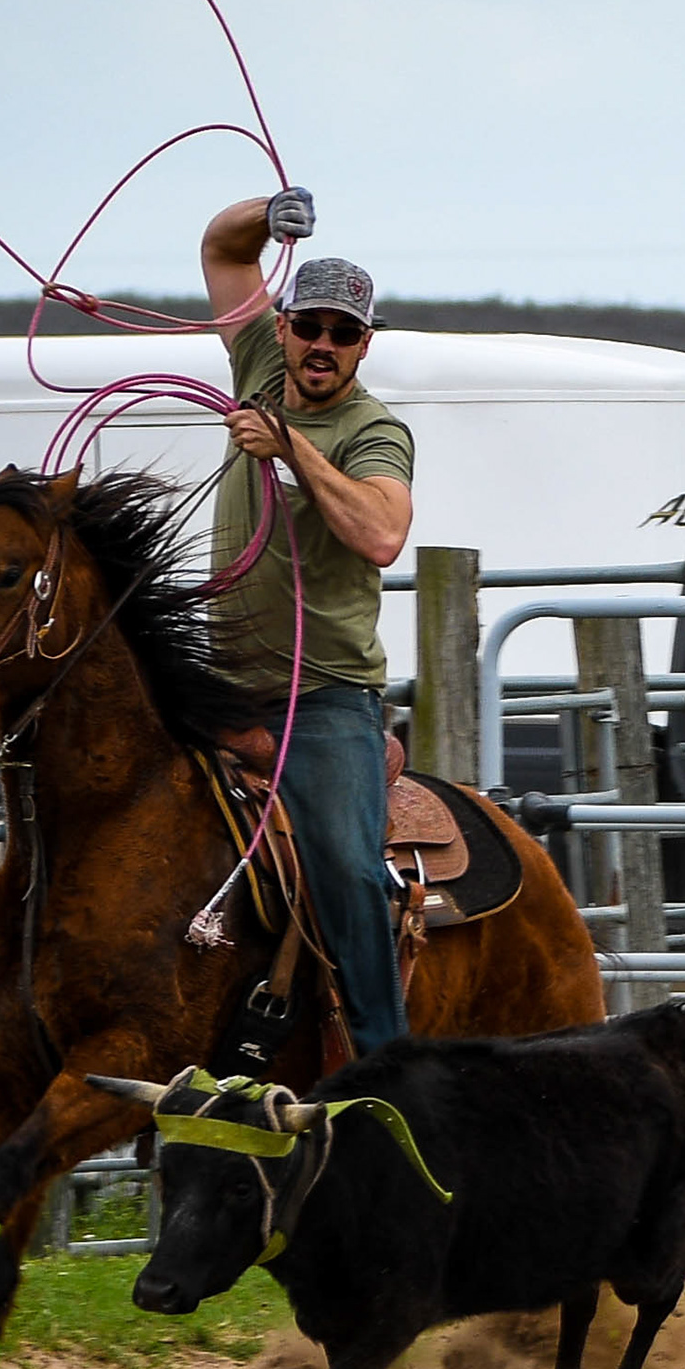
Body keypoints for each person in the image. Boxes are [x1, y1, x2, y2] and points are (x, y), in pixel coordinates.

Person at [200, 188, 417, 1056]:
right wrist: (270, 213)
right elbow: (224, 249)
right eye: (310, 326)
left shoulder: (375, 430)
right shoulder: (257, 360)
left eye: (343, 332)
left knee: (348, 870)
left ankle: (384, 1059)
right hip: (219, 680)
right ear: (282, 326)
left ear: (365, 344)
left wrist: (291, 445)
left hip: (322, 697)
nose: (322, 344)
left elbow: (382, 533)